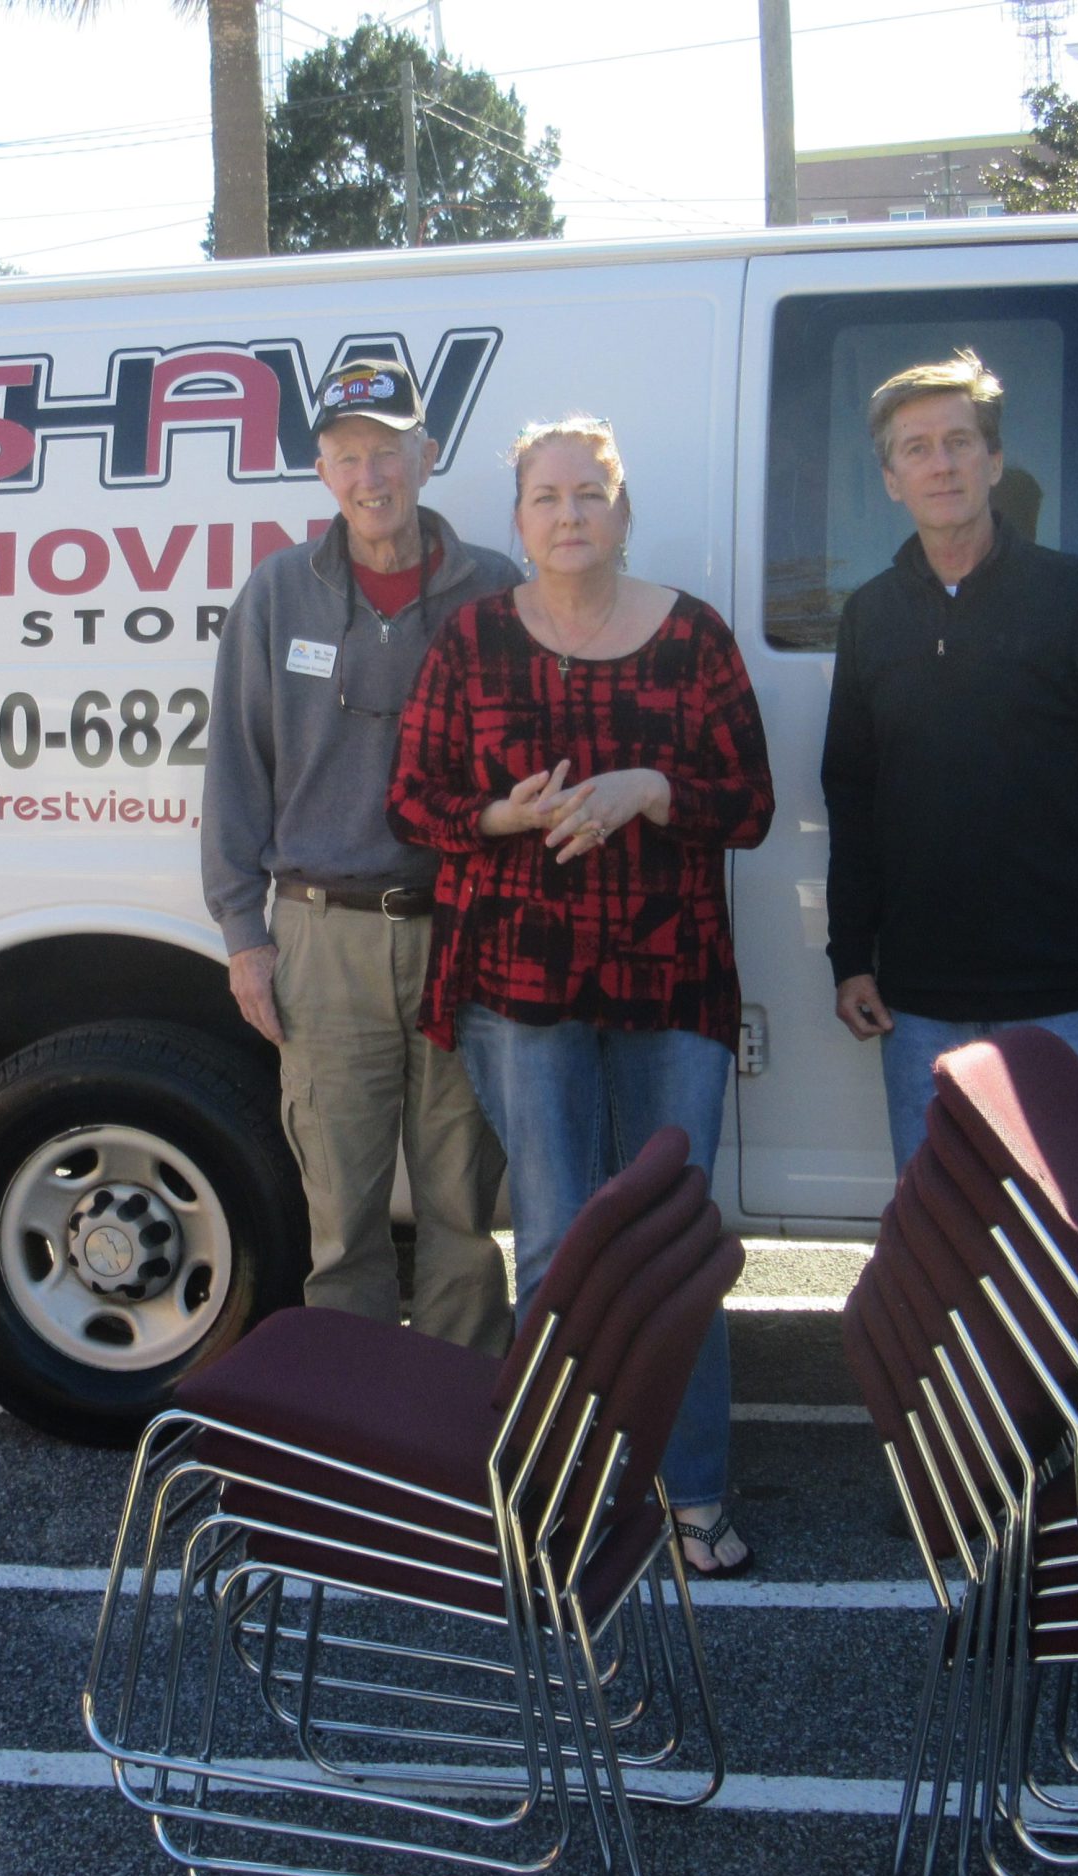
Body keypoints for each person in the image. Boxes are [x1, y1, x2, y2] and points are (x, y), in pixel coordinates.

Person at [387, 416, 775, 1578]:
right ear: (516, 519)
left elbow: (745, 802)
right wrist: (506, 813)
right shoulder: (472, 640)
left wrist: (651, 783)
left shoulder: (693, 638)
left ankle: (692, 1487)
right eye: (546, 496)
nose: (568, 513)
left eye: (590, 492)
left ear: (623, 507)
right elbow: (417, 800)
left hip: (671, 983)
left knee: (671, 1240)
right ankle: (561, 1489)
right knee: (555, 1243)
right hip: (521, 984)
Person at [202, 358, 518, 1354]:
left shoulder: (495, 591)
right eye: (347, 455)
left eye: (387, 450)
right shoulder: (278, 592)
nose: (370, 473)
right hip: (320, 939)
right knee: (341, 1220)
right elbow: (235, 769)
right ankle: (357, 1452)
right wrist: (243, 933)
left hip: (461, 933)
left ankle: (467, 1441)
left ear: (426, 456)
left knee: (465, 1215)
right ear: (321, 470)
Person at [822, 350, 1078, 1170]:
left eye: (959, 441)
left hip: (1067, 1003)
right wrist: (852, 960)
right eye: (916, 448)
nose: (940, 463)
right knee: (945, 1246)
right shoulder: (871, 616)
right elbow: (854, 798)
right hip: (917, 1008)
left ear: (993, 462)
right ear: (890, 479)